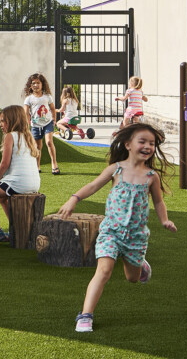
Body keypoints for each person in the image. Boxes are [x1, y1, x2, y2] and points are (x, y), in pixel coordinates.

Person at [59, 122, 177, 333]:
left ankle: (141, 265)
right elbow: (94, 185)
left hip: (136, 236)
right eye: (142, 141)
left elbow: (158, 202)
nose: (148, 146)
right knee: (103, 271)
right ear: (128, 144)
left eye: (151, 143)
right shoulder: (116, 169)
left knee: (132, 278)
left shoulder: (151, 177)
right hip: (111, 231)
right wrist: (73, 199)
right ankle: (86, 315)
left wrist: (164, 220)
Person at [0, 104, 40, 244]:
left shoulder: (10, 136)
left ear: (12, 120)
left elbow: (4, 163)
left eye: (3, 121)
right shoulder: (29, 137)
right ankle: (16, 229)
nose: (0, 124)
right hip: (34, 183)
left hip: (19, 182)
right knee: (2, 198)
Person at [24, 73, 60, 175]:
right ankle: (37, 166)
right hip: (35, 125)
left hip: (47, 123)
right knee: (37, 147)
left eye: (38, 83)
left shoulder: (47, 97)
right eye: (33, 83)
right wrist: (27, 124)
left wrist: (54, 119)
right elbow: (26, 112)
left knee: (49, 142)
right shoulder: (29, 99)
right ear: (30, 86)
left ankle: (54, 163)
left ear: (42, 84)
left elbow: (52, 109)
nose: (36, 85)